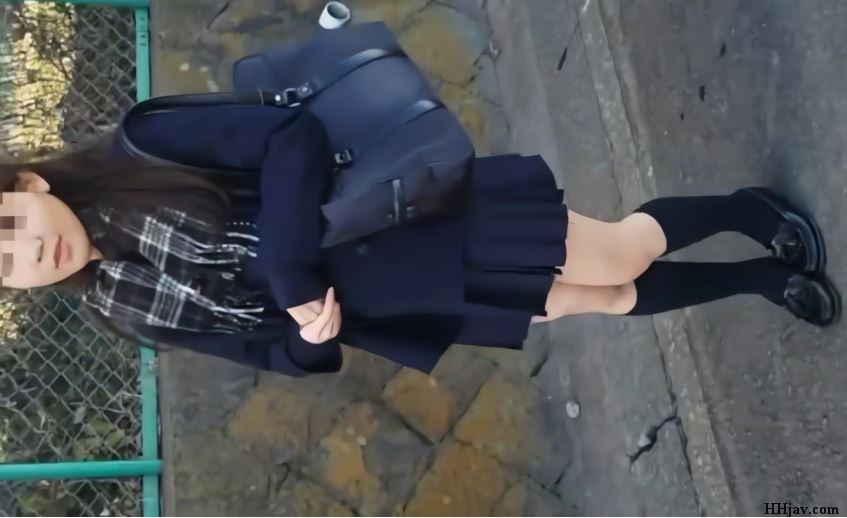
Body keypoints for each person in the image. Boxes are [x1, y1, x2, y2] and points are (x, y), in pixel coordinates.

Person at [0, 104, 840, 377]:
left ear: (29, 184)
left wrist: (288, 269)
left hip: (412, 222)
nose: (30, 254)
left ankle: (744, 209)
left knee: (619, 254)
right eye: (5, 266)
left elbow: (290, 135)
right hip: (404, 300)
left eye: (12, 229)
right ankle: (755, 280)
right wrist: (309, 336)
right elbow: (271, 353)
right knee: (607, 297)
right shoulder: (124, 310)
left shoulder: (143, 148)